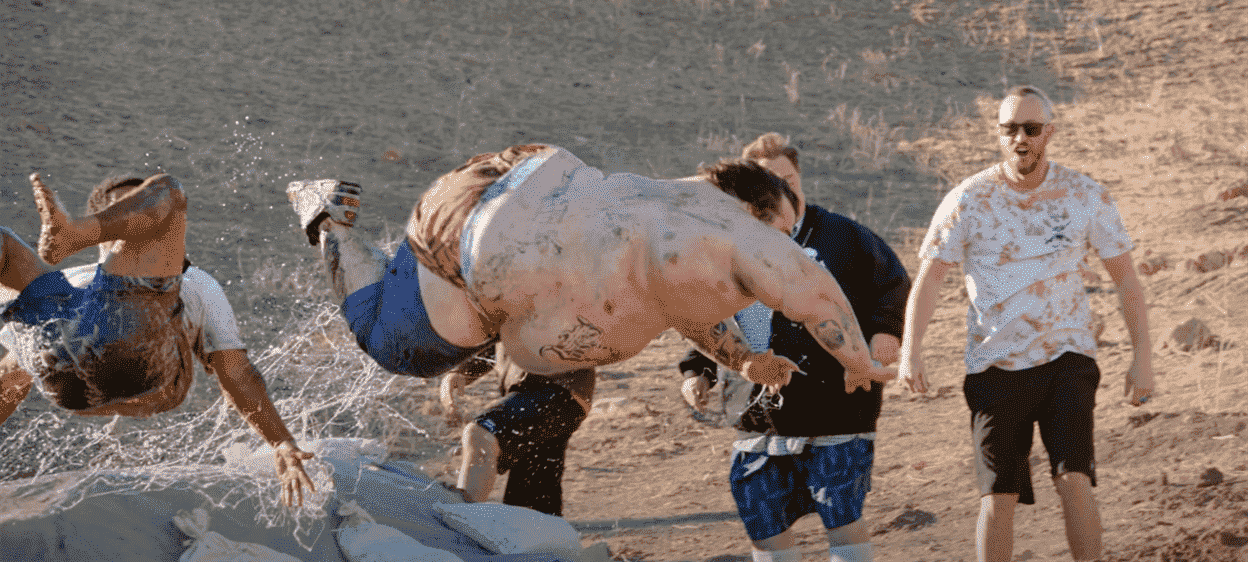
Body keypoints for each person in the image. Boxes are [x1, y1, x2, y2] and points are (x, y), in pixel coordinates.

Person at [285, 144, 893, 403]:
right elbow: (810, 290)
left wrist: (744, 362)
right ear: (753, 213)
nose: (783, 246)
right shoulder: (740, 232)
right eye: (779, 231)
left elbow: (686, 306)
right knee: (399, 350)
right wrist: (860, 361)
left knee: (412, 304)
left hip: (521, 184)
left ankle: (369, 245)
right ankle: (330, 222)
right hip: (487, 251)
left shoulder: (681, 216)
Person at [898, 85, 1155, 562]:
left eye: (1031, 129)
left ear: (1049, 134)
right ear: (999, 135)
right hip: (995, 363)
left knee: (1072, 478)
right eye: (1010, 129)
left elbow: (1127, 282)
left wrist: (1143, 360)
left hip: (1067, 357)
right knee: (998, 496)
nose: (1021, 138)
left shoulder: (1084, 194)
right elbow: (929, 280)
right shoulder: (968, 199)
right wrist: (911, 351)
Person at [0, 173, 315, 507]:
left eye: (136, 206)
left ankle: (72, 233)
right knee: (168, 191)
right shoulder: (187, 278)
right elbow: (11, 375)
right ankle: (74, 232)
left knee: (6, 243)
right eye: (124, 208)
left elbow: (236, 372)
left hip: (116, 364)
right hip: (81, 348)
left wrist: (279, 441)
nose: (131, 216)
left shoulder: (189, 282)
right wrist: (281, 442)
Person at [677, 133, 911, 562]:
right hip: (757, 414)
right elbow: (704, 312)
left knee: (842, 515)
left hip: (837, 407)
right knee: (764, 524)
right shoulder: (720, 249)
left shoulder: (846, 237)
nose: (782, 189)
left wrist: (884, 338)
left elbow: (892, 288)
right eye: (769, 181)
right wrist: (698, 370)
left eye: (787, 178)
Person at [439, 341, 593, 516]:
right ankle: (543, 537)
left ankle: (463, 523)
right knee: (528, 508)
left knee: (481, 434)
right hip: (562, 397)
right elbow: (500, 339)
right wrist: (462, 372)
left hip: (555, 389)